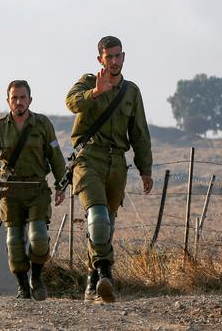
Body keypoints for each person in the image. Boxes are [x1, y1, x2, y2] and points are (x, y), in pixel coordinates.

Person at [65, 36, 153, 303]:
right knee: (98, 218)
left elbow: (139, 133)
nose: (114, 61)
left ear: (123, 57)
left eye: (117, 56)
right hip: (89, 158)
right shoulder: (88, 82)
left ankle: (93, 283)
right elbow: (71, 103)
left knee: (107, 225)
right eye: (108, 57)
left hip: (117, 164)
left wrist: (145, 168)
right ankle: (106, 273)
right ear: (100, 59)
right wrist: (96, 92)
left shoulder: (131, 92)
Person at [0, 80, 67, 301]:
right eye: (14, 98)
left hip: (37, 189)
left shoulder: (43, 124)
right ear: (8, 101)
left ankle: (37, 278)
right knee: (14, 242)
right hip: (11, 192)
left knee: (38, 236)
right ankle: (22, 286)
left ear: (30, 100)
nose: (18, 102)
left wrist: (61, 185)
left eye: (23, 97)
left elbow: (55, 157)